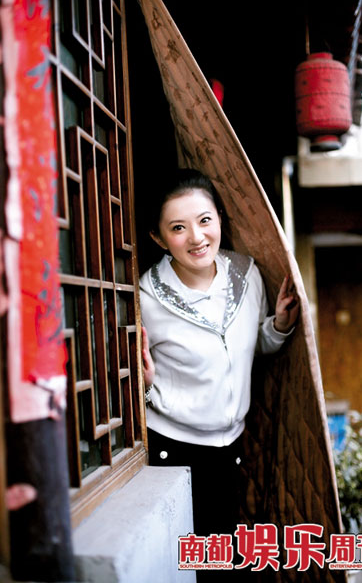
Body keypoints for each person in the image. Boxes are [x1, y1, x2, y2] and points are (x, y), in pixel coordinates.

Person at [139, 168, 299, 542]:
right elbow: (129, 379)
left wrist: (278, 326)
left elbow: (248, 348)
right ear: (158, 238)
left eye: (205, 220)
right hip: (174, 448)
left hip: (235, 446)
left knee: (229, 557)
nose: (197, 237)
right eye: (178, 228)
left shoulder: (247, 276)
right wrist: (145, 387)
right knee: (194, 561)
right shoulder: (145, 298)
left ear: (220, 219)